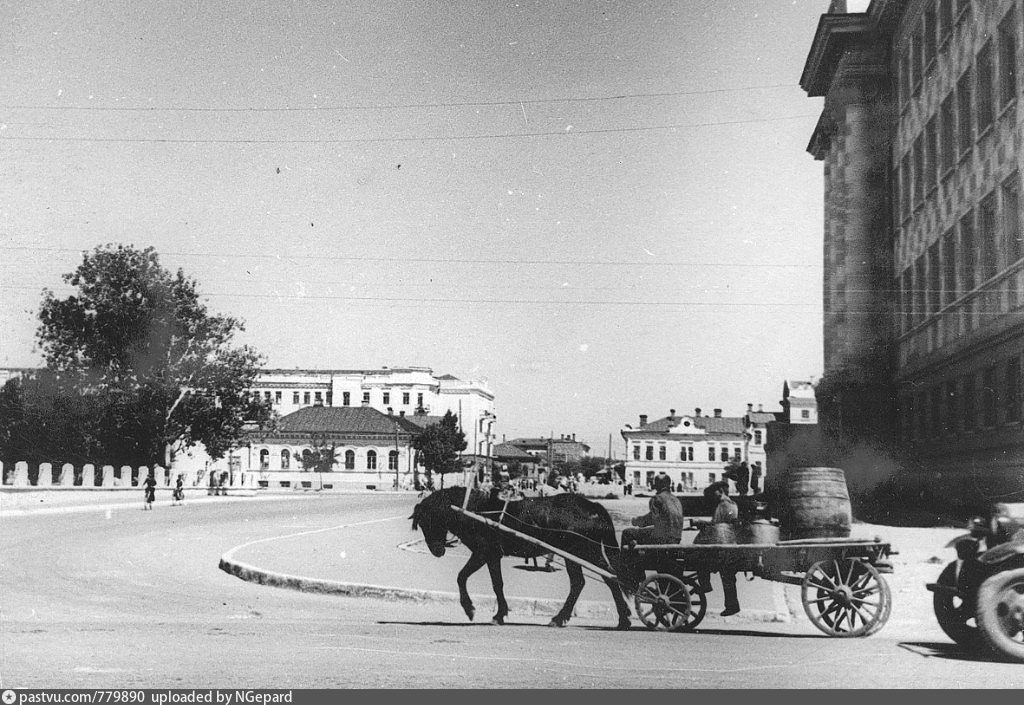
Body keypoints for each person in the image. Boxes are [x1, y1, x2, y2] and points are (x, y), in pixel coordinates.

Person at [696, 481, 741, 616]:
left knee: (698, 557)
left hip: (721, 543)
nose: (713, 495)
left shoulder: (724, 505)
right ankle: (732, 605)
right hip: (729, 542)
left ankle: (705, 585)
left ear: (721, 490)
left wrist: (701, 524)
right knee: (728, 576)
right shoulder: (732, 504)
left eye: (715, 492)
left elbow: (717, 525)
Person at [621, 472, 684, 547]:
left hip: (662, 538)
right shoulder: (676, 499)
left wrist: (637, 521)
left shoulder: (656, 498)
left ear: (658, 485)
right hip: (676, 538)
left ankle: (625, 558)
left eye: (655, 483)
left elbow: (652, 519)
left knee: (627, 532)